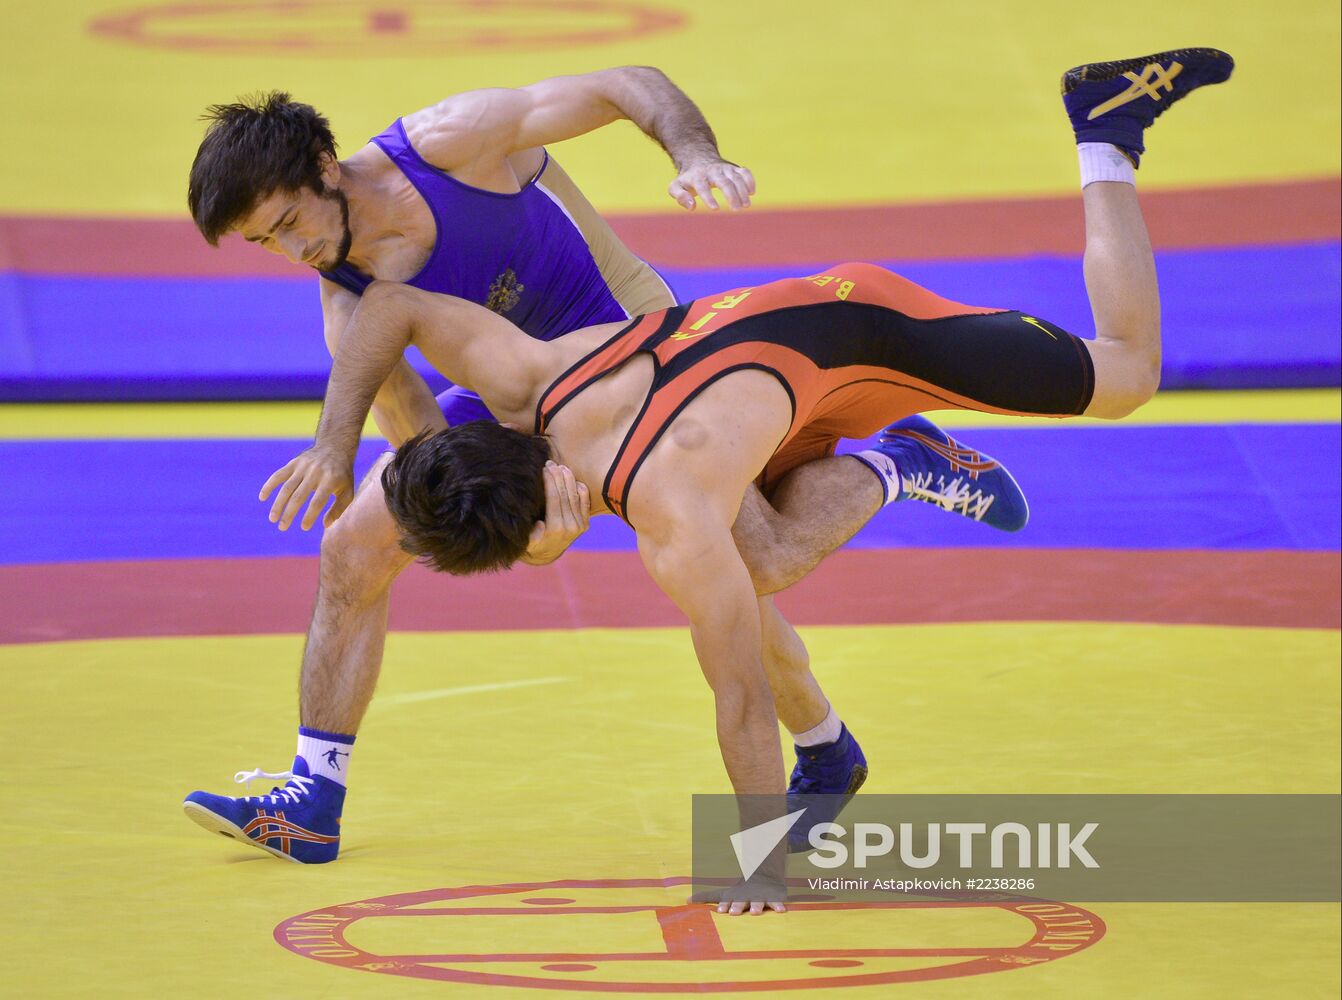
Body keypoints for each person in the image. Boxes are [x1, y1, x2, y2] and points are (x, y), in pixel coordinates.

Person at [182, 68, 1033, 861]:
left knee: (750, 562)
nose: (293, 253)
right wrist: (525, 535)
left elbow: (631, 84)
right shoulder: (352, 307)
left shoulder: (448, 143)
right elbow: (433, 463)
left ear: (326, 166)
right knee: (352, 547)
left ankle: (898, 467)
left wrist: (696, 156)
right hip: (516, 397)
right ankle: (312, 794)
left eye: (291, 223)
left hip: (637, 350)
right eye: (265, 243)